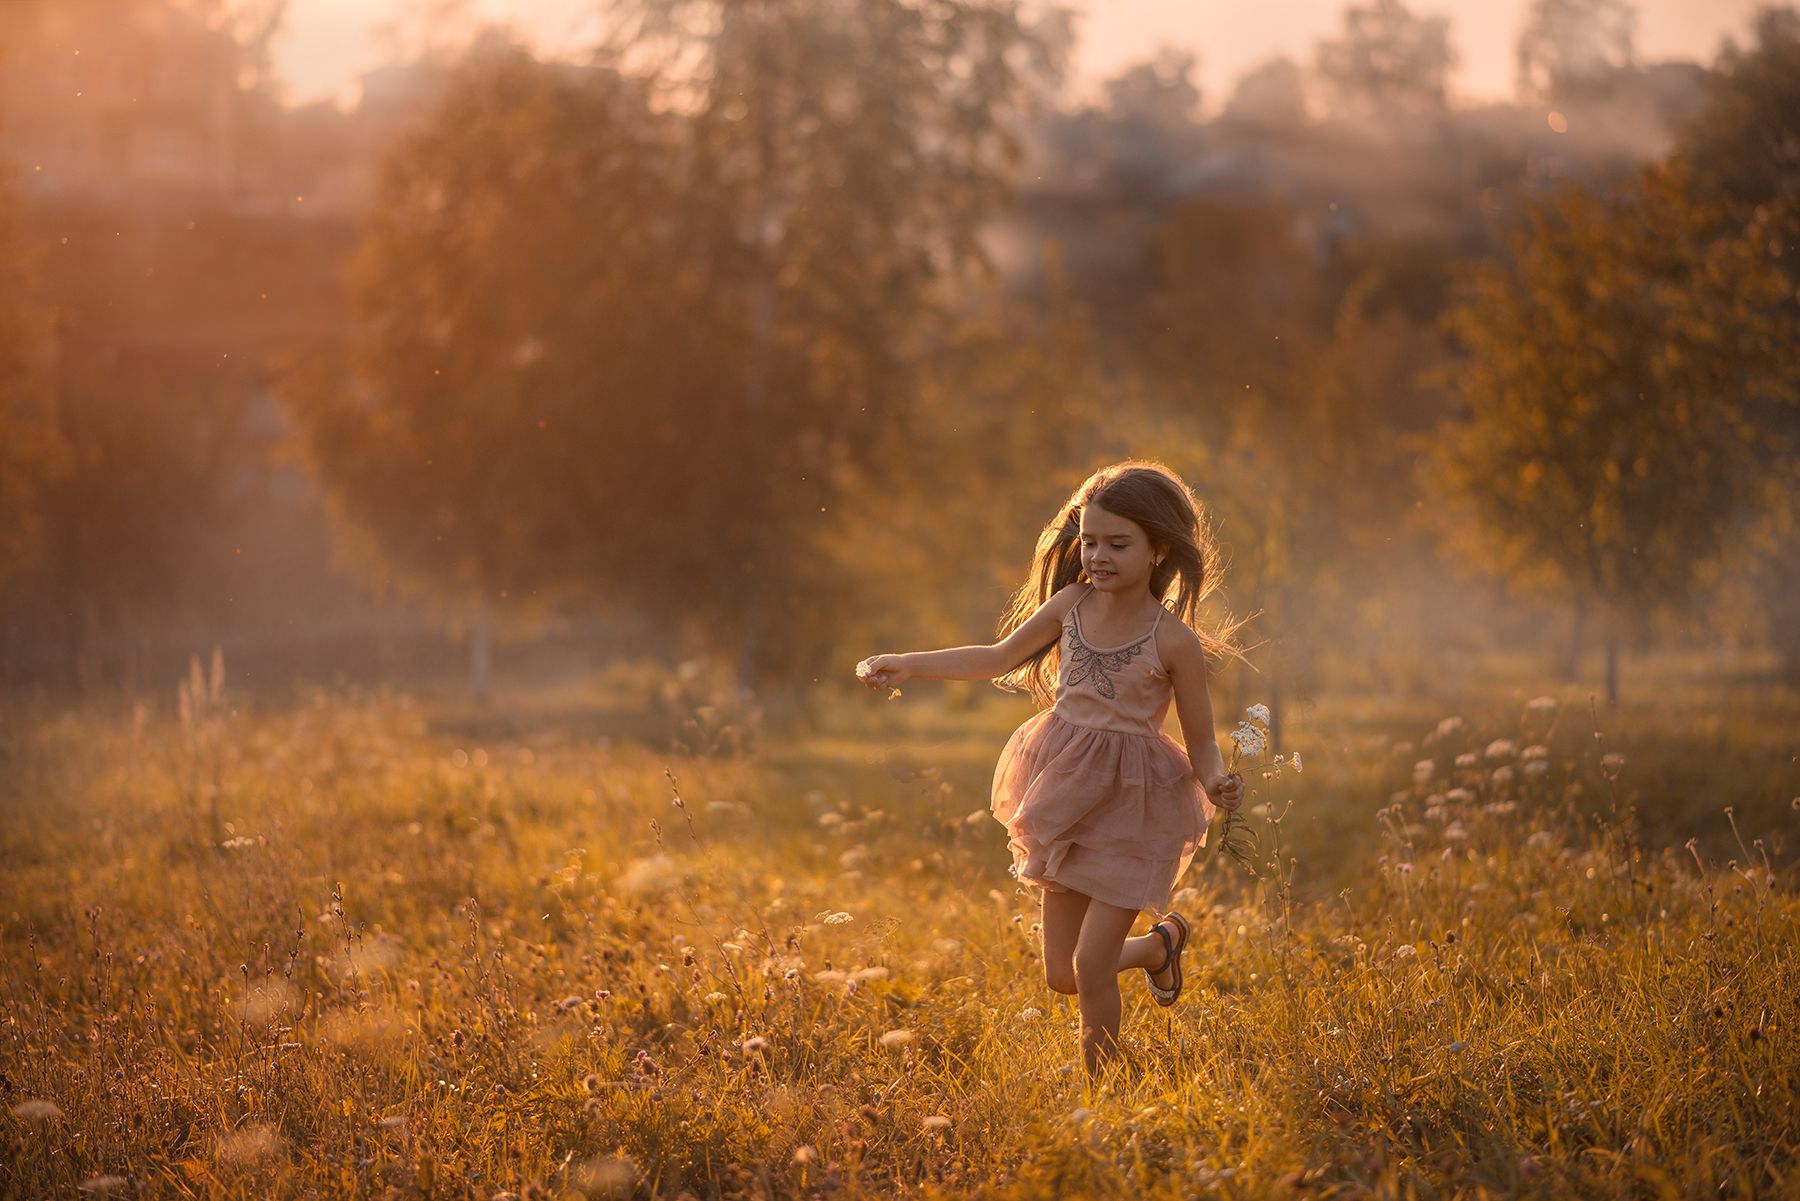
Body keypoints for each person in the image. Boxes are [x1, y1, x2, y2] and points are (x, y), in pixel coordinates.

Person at [856, 460, 1246, 1078]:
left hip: (1134, 804)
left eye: (1118, 544)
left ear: (1158, 550)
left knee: (1092, 966)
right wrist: (909, 662)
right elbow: (995, 657)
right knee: (1063, 976)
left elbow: (1201, 741)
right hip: (1062, 789)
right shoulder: (1070, 605)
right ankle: (1157, 948)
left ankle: (1106, 1091)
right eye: (1089, 541)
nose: (1097, 555)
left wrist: (1217, 780)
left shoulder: (1173, 642)